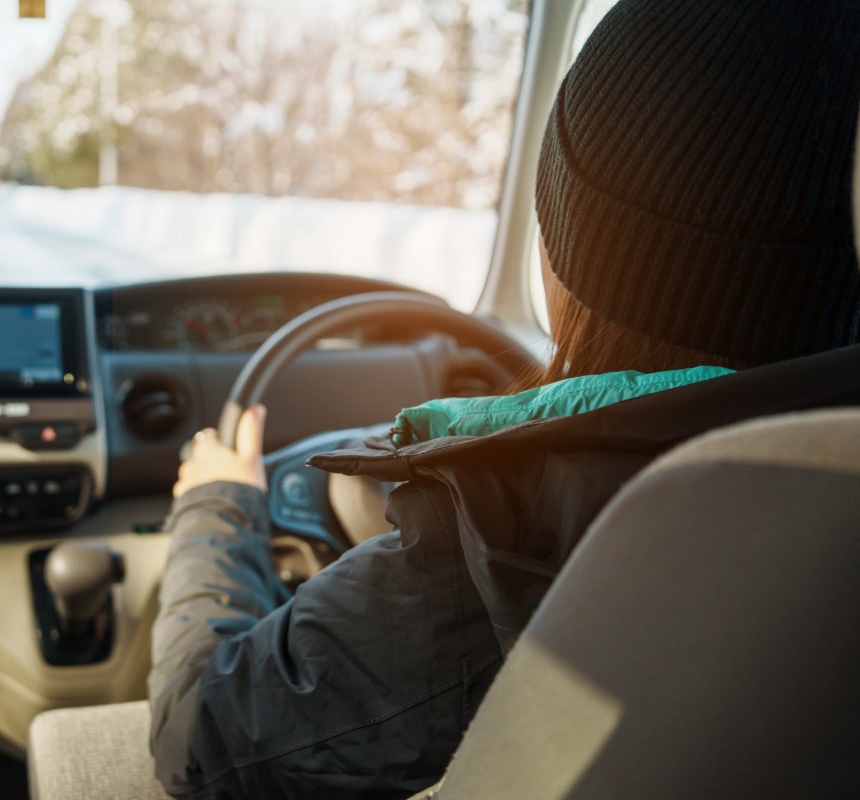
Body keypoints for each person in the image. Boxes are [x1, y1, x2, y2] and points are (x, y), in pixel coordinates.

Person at [148, 1, 860, 797]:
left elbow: (203, 738)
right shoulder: (827, 481)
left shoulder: (522, 530)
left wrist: (218, 509)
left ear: (572, 251)